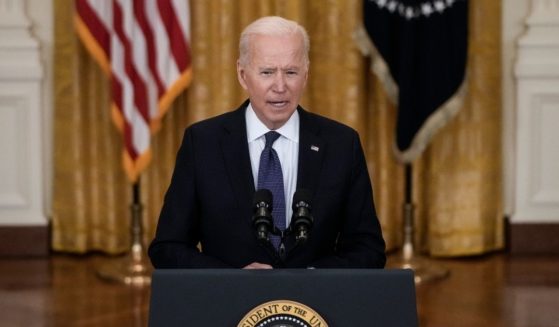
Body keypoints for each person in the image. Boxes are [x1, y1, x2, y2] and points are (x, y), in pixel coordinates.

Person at [148, 16, 386, 269]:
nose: (280, 86)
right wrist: (231, 279)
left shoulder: (341, 144)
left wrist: (315, 279)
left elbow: (368, 249)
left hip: (314, 306)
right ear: (242, 75)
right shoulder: (203, 143)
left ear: (305, 75)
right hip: (230, 304)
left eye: (291, 72)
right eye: (267, 72)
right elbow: (167, 248)